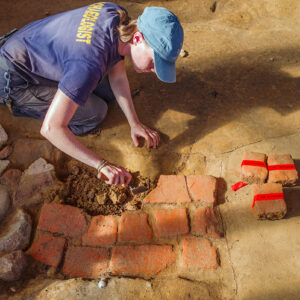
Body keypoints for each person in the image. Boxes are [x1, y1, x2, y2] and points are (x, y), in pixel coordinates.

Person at [0, 2, 183, 186]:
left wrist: (134, 123)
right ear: (137, 39)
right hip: (15, 80)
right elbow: (51, 128)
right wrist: (101, 164)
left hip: (32, 48)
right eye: (153, 62)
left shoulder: (116, 15)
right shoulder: (89, 64)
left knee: (106, 89)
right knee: (95, 112)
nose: (153, 70)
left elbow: (118, 77)